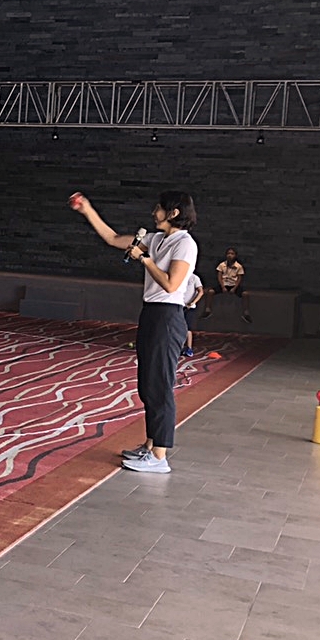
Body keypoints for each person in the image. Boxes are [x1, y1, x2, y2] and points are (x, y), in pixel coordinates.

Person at [72, 190, 198, 474]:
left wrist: (145, 259)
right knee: (147, 385)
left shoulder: (185, 244)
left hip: (168, 316)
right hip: (152, 313)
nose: (154, 213)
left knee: (160, 385)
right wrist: (87, 209)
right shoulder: (155, 239)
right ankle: (150, 445)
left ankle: (160, 456)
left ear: (174, 213)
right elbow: (113, 238)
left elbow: (171, 284)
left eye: (158, 208)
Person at [205, 247, 252, 323]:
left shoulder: (238, 266)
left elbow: (239, 278)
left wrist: (234, 288)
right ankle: (208, 310)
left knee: (245, 294)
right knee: (210, 292)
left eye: (232, 254)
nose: (230, 255)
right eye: (228, 253)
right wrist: (223, 287)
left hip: (233, 284)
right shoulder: (222, 265)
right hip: (224, 284)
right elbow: (219, 276)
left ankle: (246, 313)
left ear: (235, 255)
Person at [182, 271, 204, 357]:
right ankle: (179, 347)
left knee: (188, 328)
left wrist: (192, 302)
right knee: (177, 327)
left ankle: (189, 348)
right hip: (179, 305)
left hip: (189, 308)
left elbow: (201, 292)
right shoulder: (180, 275)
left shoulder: (194, 277)